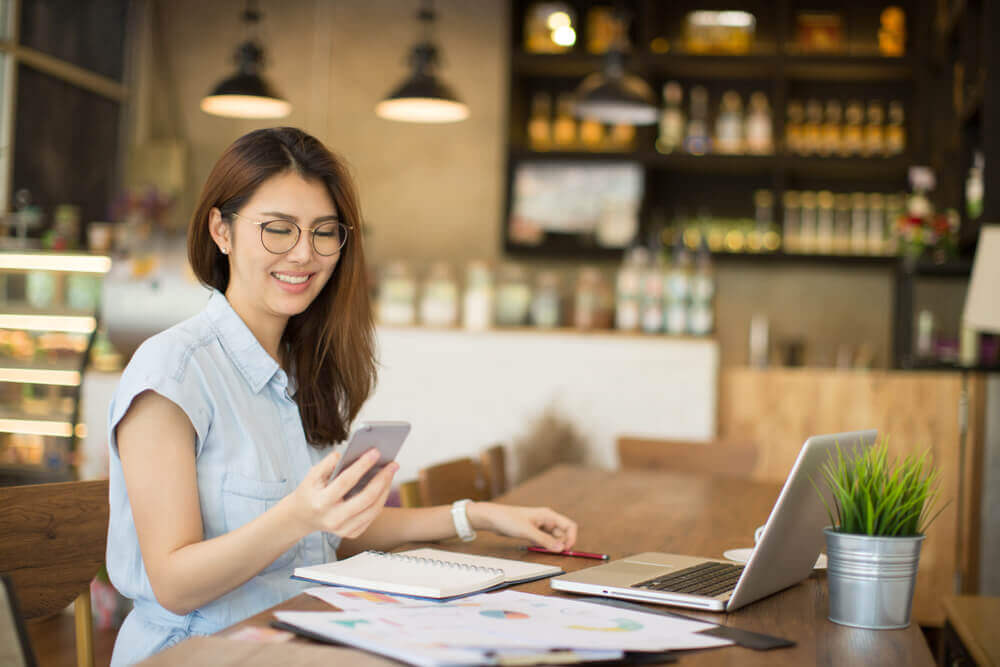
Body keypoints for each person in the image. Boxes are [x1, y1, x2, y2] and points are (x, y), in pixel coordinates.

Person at [106, 127, 578, 665]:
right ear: (222, 230)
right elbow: (174, 583)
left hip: (305, 636)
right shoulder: (173, 371)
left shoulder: (298, 366)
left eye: (324, 232)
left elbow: (328, 533)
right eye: (279, 230)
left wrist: (479, 515)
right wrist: (300, 516)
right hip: (201, 651)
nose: (304, 254)